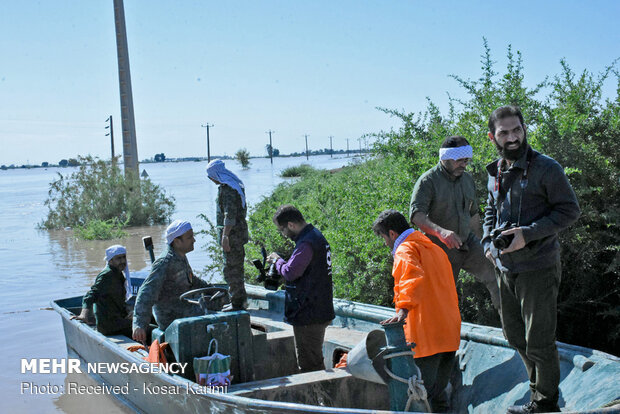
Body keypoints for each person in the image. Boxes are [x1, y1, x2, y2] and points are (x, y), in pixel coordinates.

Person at [483, 105, 580, 414]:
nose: (512, 138)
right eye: (504, 133)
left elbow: (569, 211)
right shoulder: (495, 171)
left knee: (538, 340)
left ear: (524, 129)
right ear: (492, 137)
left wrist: (528, 233)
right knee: (514, 336)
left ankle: (545, 404)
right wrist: (488, 243)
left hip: (538, 266)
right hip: (505, 267)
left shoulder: (546, 168)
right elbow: (490, 212)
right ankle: (539, 391)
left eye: (517, 130)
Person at [373, 209, 461, 413]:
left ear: (392, 234)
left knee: (420, 396)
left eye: (384, 238)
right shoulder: (434, 248)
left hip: (426, 336)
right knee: (439, 396)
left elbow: (410, 278)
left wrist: (402, 310)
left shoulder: (405, 250)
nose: (386, 243)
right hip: (449, 333)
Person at [410, 135, 500, 309]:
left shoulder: (467, 179)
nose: (464, 164)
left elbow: (473, 215)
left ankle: (510, 331)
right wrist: (441, 232)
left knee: (496, 275)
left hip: (468, 243)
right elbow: (416, 216)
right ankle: (442, 334)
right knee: (443, 298)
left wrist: (483, 244)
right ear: (445, 157)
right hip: (440, 250)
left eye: (466, 160)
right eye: (460, 160)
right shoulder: (427, 181)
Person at [266, 205, 335, 373]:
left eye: (282, 230)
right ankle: (320, 397)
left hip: (309, 314)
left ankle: (318, 398)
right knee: (314, 359)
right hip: (319, 308)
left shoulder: (307, 243)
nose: (283, 234)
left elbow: (290, 272)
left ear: (291, 225)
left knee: (310, 365)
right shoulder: (315, 236)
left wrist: (277, 261)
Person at [132, 220, 210, 343]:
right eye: (190, 237)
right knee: (213, 318)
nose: (194, 240)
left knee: (216, 308)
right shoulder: (164, 262)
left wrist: (209, 289)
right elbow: (146, 292)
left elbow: (191, 279)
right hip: (171, 317)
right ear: (177, 241)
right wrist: (139, 324)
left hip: (184, 309)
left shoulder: (180, 257)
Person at [206, 159, 249, 311]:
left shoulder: (228, 189)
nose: (210, 179)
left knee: (231, 270)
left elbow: (229, 215)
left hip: (232, 238)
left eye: (210, 176)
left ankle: (237, 303)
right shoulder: (233, 185)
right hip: (237, 236)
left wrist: (225, 237)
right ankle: (239, 301)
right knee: (236, 268)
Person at [72, 245, 133, 337]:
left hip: (117, 319)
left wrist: (129, 311)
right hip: (109, 325)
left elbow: (117, 299)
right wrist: (83, 315)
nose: (123, 261)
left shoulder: (118, 274)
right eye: (118, 258)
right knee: (148, 329)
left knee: (147, 319)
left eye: (124, 257)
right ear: (110, 260)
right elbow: (90, 295)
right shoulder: (106, 275)